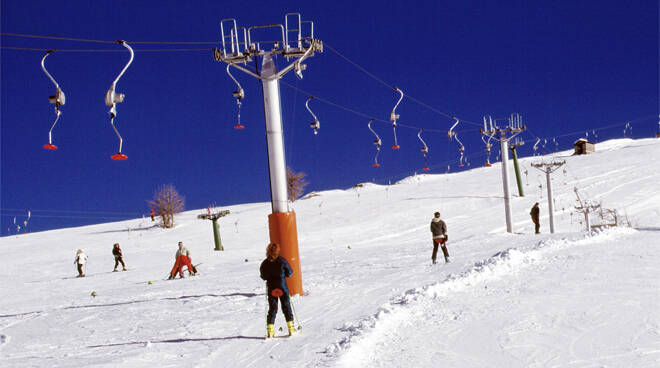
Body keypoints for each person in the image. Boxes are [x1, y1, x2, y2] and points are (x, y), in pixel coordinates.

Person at [260, 243, 295, 338]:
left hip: (272, 287)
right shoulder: (282, 261)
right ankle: (291, 327)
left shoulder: (265, 263)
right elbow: (290, 272)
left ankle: (270, 330)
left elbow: (263, 276)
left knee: (273, 308)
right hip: (282, 286)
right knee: (286, 306)